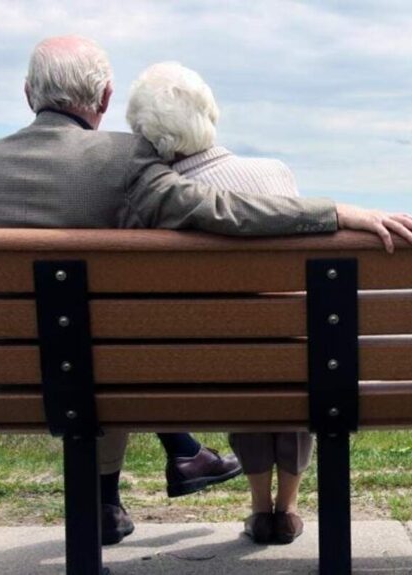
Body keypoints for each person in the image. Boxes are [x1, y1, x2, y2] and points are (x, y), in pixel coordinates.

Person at [0, 36, 412, 546]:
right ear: (106, 98)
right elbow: (221, 210)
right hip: (99, 374)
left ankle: (114, 495)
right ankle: (169, 462)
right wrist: (335, 214)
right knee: (95, 349)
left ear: (29, 93)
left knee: (84, 346)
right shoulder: (121, 159)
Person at [126, 61, 317, 544]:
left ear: (146, 136)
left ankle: (258, 508)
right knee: (288, 349)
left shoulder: (152, 200)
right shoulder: (274, 173)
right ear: (210, 113)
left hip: (210, 371)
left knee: (238, 354)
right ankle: (287, 508)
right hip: (296, 361)